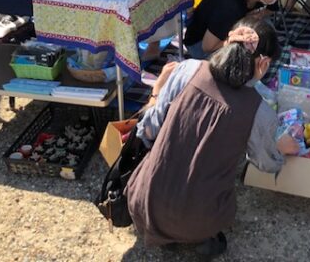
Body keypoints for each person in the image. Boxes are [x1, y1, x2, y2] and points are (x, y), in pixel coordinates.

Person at [126, 18, 299, 256]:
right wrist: (280, 151)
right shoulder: (259, 111)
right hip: (199, 221)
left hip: (143, 202)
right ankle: (194, 237)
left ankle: (164, 232)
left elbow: (148, 131)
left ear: (227, 42)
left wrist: (156, 92)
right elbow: (265, 163)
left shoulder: (186, 70)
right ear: (264, 63)